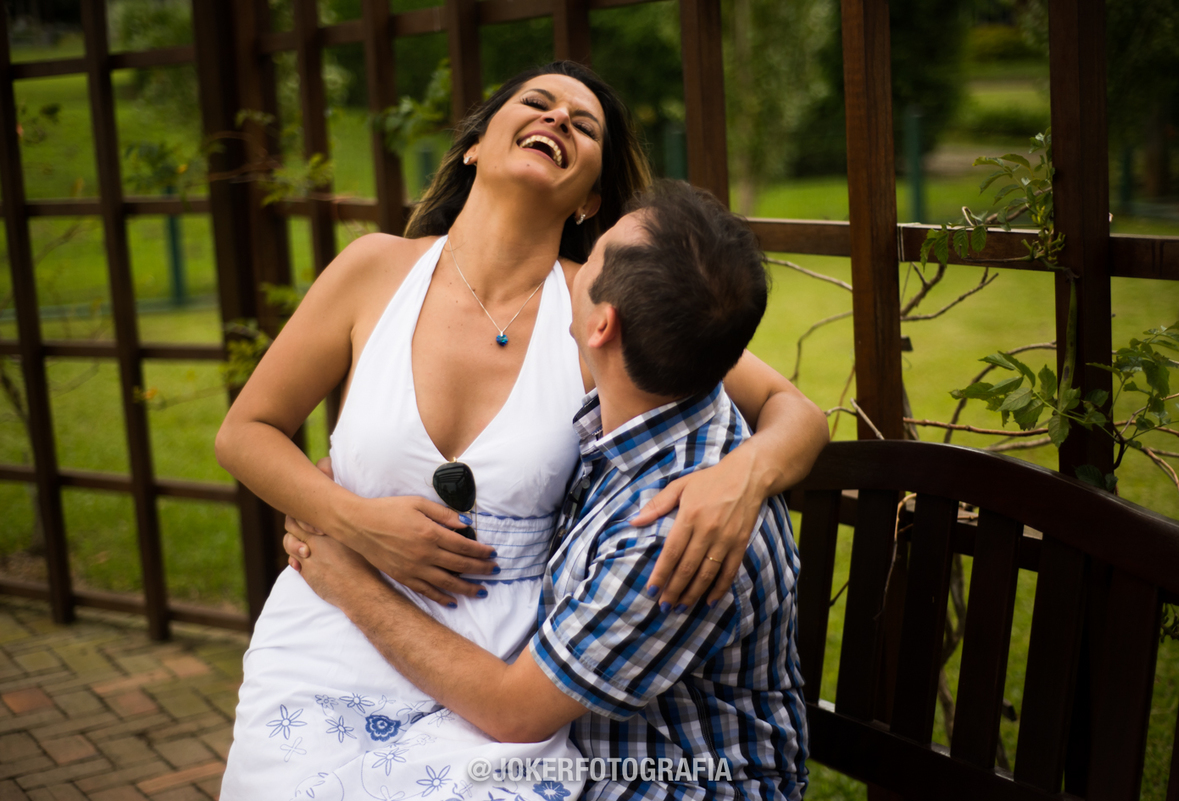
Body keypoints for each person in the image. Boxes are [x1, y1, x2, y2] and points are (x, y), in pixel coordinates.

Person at [215, 61, 827, 799]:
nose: (558, 117)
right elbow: (245, 431)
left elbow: (796, 412)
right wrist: (351, 521)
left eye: (585, 123)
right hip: (330, 631)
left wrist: (741, 478)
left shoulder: (606, 304)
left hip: (505, 666)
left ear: (590, 199)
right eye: (537, 102)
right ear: (474, 146)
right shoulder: (375, 269)